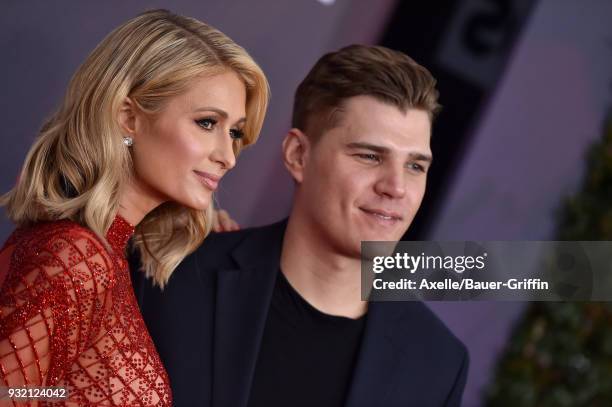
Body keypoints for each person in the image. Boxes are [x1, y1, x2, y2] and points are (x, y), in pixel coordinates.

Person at [132, 45, 468, 407]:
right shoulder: (174, 272)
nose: (396, 187)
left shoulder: (438, 365)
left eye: (415, 166)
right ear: (298, 156)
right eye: (370, 156)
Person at [0, 9, 268, 406]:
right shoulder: (76, 257)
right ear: (128, 117)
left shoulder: (108, 256)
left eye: (234, 133)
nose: (228, 156)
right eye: (208, 123)